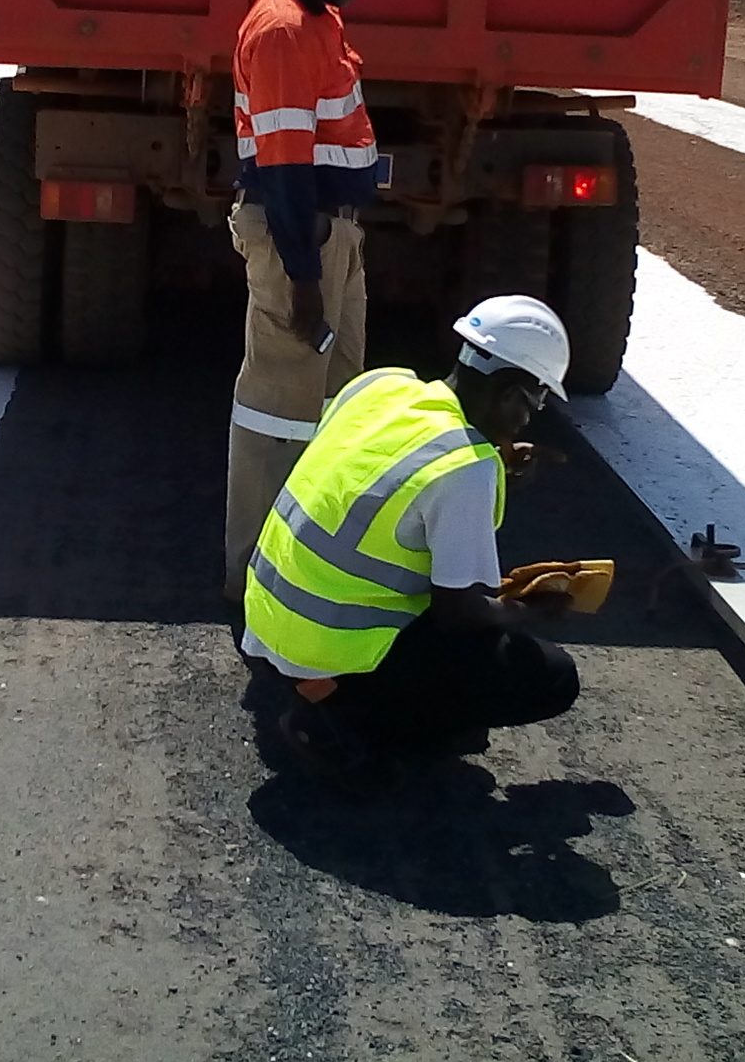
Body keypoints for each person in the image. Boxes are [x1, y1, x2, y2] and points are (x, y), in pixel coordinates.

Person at [243, 295, 582, 788]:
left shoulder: (381, 386)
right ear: (511, 392)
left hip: (270, 623)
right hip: (328, 647)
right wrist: (532, 612)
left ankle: (326, 690)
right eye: (535, 401)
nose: (530, 419)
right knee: (548, 675)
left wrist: (495, 461)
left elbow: (376, 474)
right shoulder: (466, 467)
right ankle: (347, 718)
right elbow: (460, 612)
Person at [224, 0, 401, 600]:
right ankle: (256, 583)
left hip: (331, 238)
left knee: (334, 399)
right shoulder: (286, 30)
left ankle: (310, 562)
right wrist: (303, 277)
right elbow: (286, 167)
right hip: (303, 239)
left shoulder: (318, 15)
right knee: (278, 406)